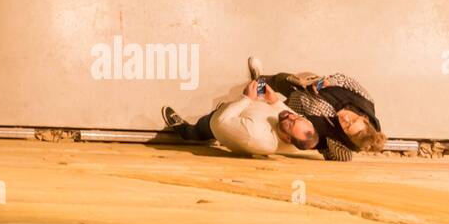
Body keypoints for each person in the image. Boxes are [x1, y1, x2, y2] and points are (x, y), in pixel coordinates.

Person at [250, 60, 385, 161]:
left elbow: (343, 157)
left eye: (347, 126)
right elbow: (345, 80)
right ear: (364, 118)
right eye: (354, 119)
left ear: (345, 135)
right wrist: (326, 82)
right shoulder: (366, 101)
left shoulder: (337, 140)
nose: (346, 119)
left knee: (265, 110)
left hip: (294, 111)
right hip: (304, 86)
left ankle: (250, 101)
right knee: (277, 80)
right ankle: (257, 81)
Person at [162, 73, 320, 156]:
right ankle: (253, 83)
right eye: (298, 117)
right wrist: (274, 101)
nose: (291, 116)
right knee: (254, 91)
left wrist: (246, 99)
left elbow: (220, 122)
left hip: (220, 122)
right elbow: (291, 117)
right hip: (246, 113)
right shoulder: (299, 134)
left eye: (291, 123)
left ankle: (185, 131)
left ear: (287, 139)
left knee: (202, 127)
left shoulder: (255, 135)